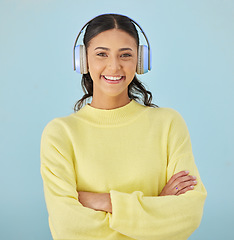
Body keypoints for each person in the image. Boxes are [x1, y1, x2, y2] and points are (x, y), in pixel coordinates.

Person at [40, 13, 207, 240]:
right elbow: (69, 227)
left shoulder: (168, 124)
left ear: (140, 60)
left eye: (125, 55)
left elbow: (188, 214)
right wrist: (155, 206)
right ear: (83, 60)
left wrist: (104, 201)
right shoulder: (60, 134)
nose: (114, 66)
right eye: (101, 54)